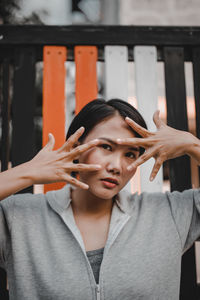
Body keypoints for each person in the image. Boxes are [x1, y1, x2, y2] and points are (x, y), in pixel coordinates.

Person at [0, 98, 200, 300]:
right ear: (76, 148)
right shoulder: (18, 217)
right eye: (106, 147)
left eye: (130, 154)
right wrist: (28, 173)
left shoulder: (169, 214)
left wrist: (192, 145)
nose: (117, 166)